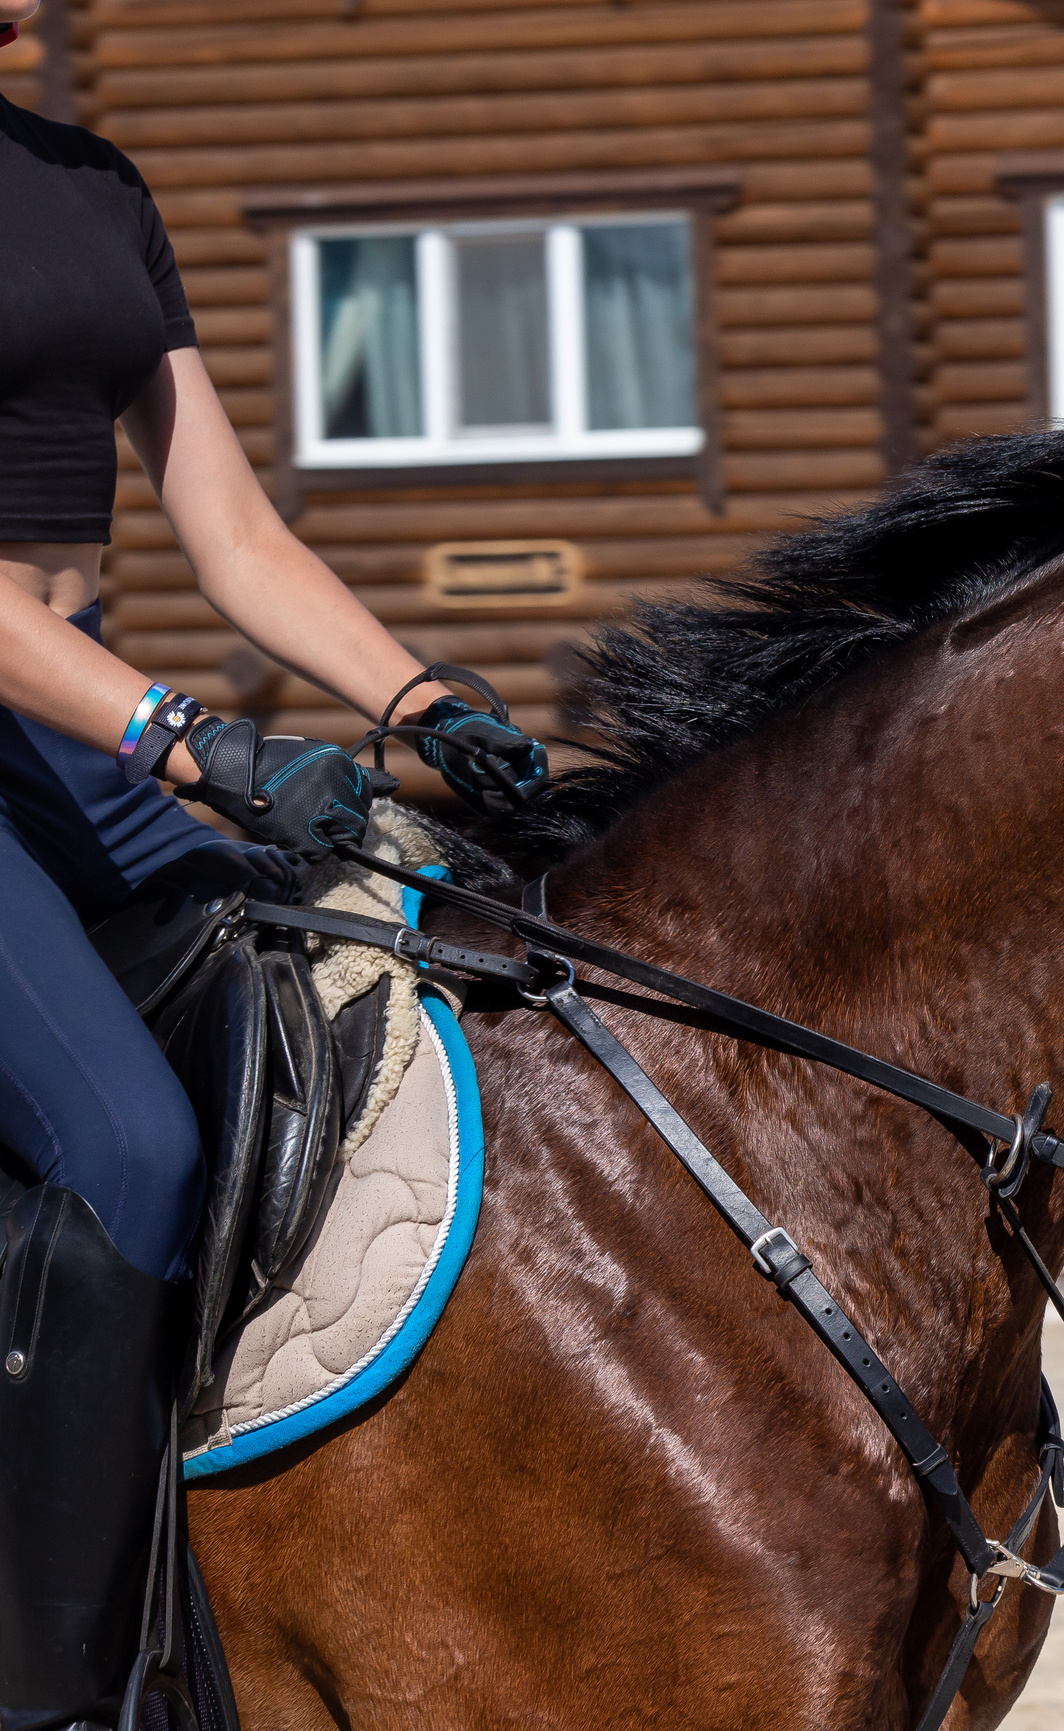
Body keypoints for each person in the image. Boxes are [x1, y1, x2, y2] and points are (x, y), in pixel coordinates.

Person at [0, 4, 547, 1714]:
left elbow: (228, 526)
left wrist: (424, 699)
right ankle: (51, 1689)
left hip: (81, 746)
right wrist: (192, 738)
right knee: (133, 1149)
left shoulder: (92, 185)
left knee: (353, 1030)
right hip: (81, 741)